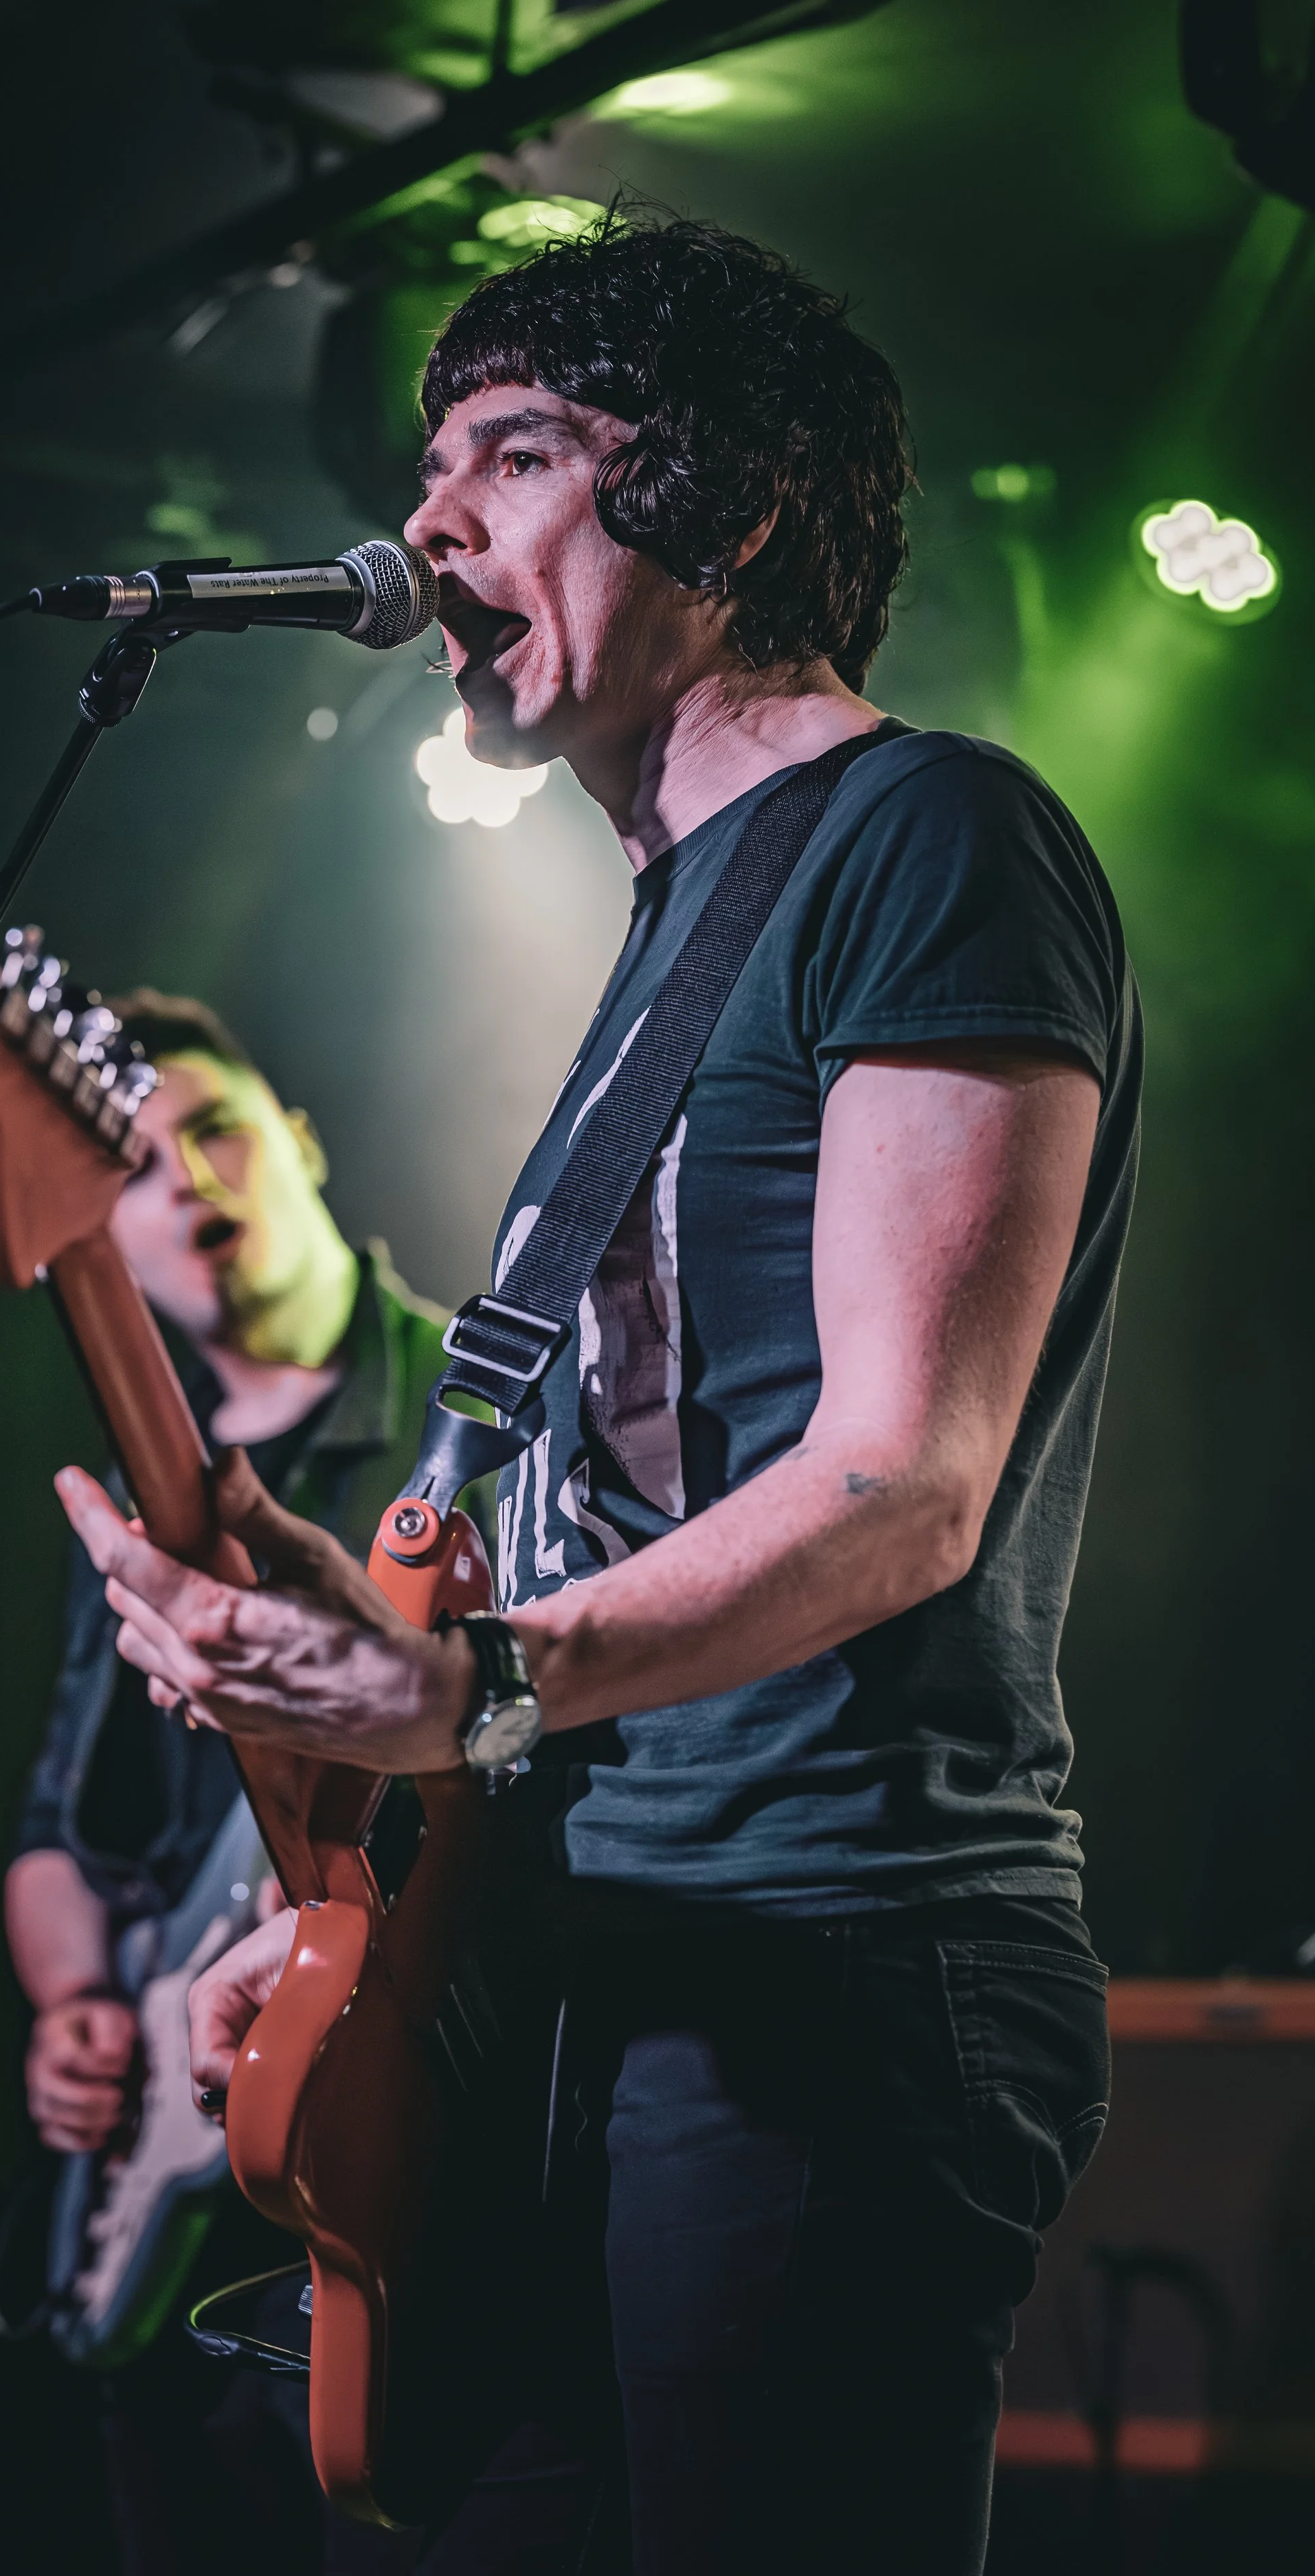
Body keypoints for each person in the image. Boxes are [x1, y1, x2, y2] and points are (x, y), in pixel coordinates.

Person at [55, 214, 1141, 2575]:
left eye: (514, 452)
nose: (428, 523)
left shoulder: (928, 840)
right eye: (430, 464)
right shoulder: (672, 925)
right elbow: (563, 1539)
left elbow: (899, 1480)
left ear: (734, 505)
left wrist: (468, 1691)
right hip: (593, 1947)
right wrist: (361, 1792)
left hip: (831, 1957)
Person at [5, 991, 447, 2576]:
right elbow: (58, 1826)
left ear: (298, 1144)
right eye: (133, 1164)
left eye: (215, 1131)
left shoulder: (478, 1429)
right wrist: (78, 2008)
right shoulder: (144, 1490)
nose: (187, 1181)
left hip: (409, 2152)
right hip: (180, 2161)